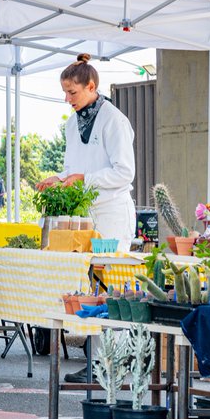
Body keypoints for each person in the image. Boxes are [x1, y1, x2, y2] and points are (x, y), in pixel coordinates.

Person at [36, 54, 136, 384]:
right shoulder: (71, 123)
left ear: (91, 87)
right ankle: (97, 360)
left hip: (111, 214)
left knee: (111, 286)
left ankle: (111, 363)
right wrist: (60, 178)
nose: (67, 99)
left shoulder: (114, 120)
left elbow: (125, 172)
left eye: (72, 92)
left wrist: (83, 179)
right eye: (64, 92)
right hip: (85, 215)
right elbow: (73, 168)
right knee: (91, 285)